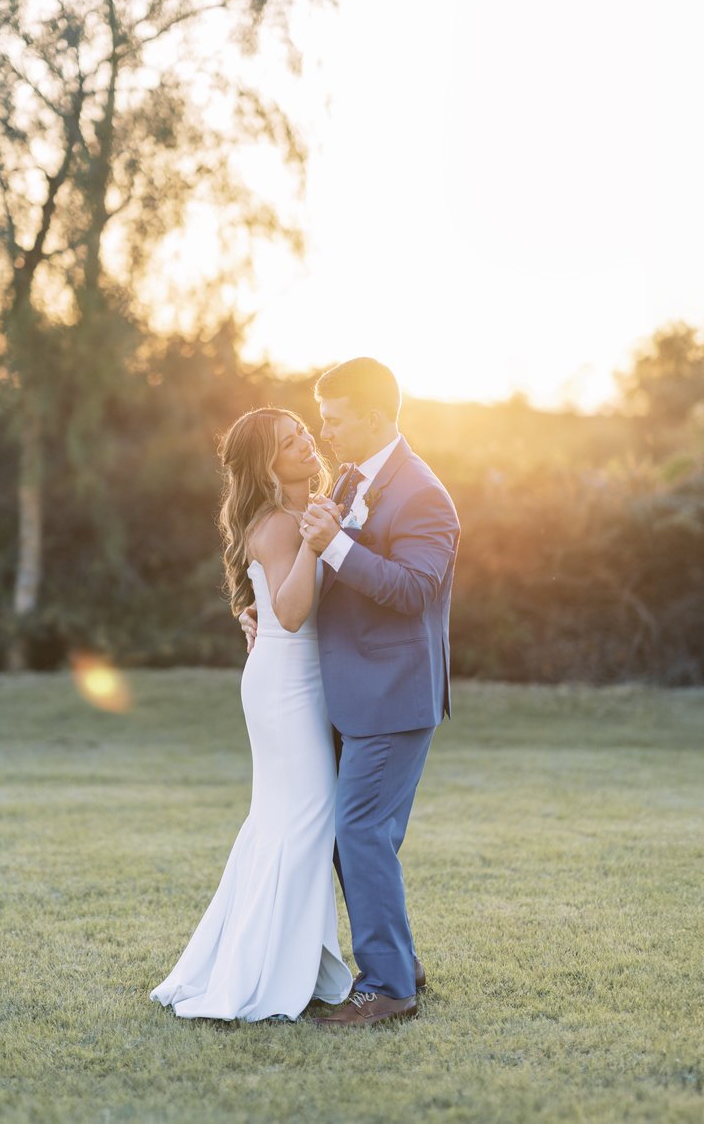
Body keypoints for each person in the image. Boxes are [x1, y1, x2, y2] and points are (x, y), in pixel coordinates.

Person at [241, 357, 460, 1027]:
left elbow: (411, 591)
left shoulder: (423, 494)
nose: (326, 432)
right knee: (351, 836)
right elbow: (304, 575)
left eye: (334, 420)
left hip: (393, 696)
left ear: (372, 414)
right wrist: (257, 612)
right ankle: (400, 961)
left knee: (359, 831)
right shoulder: (348, 479)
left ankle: (389, 987)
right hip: (341, 690)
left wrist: (334, 543)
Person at [149, 407, 353, 1021]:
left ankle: (281, 959)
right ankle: (273, 970)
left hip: (302, 679)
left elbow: (266, 605)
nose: (306, 446)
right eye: (291, 443)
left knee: (286, 822)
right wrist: (317, 545)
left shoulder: (304, 511)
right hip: (287, 685)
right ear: (266, 464)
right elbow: (289, 614)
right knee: (304, 822)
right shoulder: (277, 526)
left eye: (304, 435)